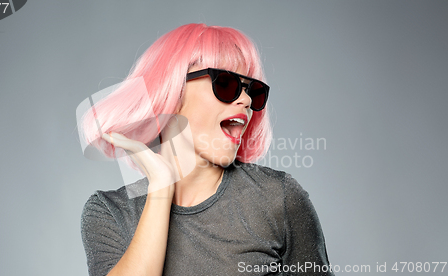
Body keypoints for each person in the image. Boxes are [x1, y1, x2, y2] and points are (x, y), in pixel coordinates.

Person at [79, 23, 333, 276]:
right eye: (225, 83)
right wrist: (161, 187)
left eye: (253, 91)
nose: (245, 100)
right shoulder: (110, 212)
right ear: (171, 91)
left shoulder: (278, 198)